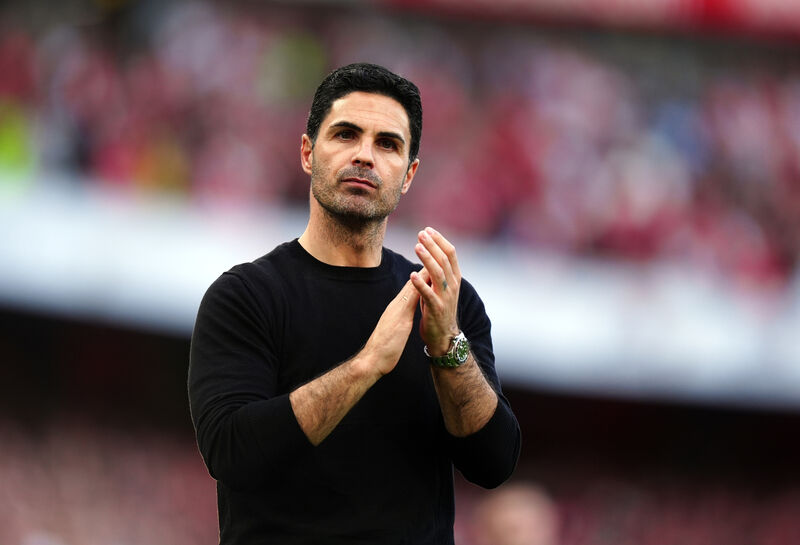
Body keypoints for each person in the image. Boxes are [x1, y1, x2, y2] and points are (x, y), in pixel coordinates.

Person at [188, 62, 520, 544]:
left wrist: (448, 346)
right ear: (308, 153)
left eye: (387, 144)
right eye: (346, 135)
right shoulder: (245, 296)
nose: (364, 155)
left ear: (408, 175)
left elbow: (494, 463)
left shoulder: (444, 299)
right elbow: (231, 454)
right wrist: (367, 365)